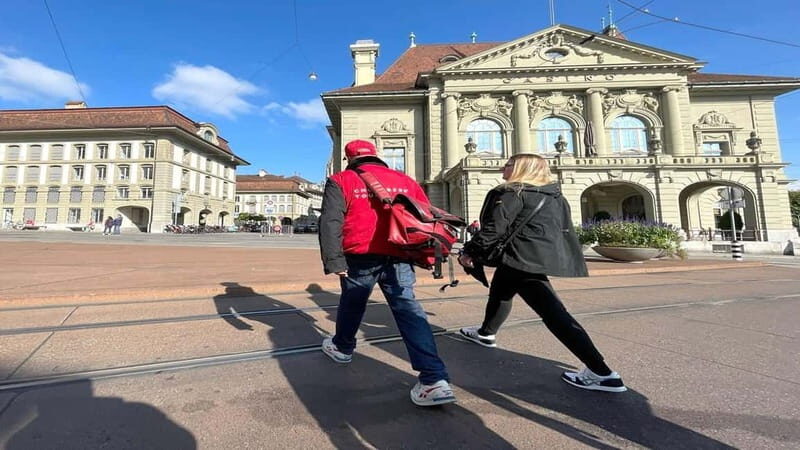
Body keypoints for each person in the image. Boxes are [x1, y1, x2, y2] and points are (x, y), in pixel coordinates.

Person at [457, 153, 626, 393]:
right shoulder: (555, 196)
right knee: (501, 291)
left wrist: (469, 251)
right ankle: (485, 333)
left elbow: (495, 228)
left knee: (554, 314)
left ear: (521, 169)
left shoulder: (512, 193)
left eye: (508, 164)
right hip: (531, 256)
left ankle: (602, 372)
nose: (502, 168)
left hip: (522, 259)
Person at [318, 139, 455, 406]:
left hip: (360, 254)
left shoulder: (341, 179)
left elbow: (331, 221)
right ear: (376, 155)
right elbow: (424, 217)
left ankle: (343, 348)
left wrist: (334, 261)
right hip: (400, 252)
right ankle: (433, 380)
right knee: (409, 309)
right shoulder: (405, 180)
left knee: (353, 302)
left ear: (349, 159)